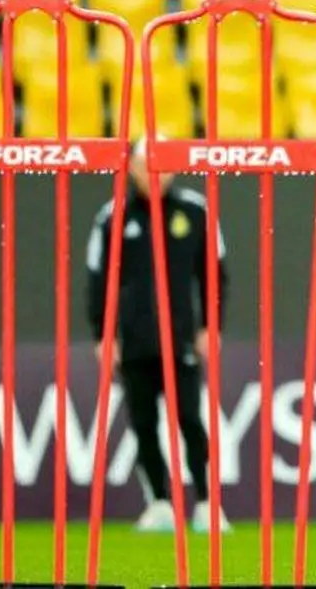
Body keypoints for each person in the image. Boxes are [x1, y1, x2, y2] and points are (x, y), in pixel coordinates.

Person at [85, 135, 232, 534]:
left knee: (189, 419)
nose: (155, 172)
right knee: (143, 423)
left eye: (163, 164)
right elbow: (99, 279)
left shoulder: (196, 211)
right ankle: (159, 503)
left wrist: (210, 326)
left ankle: (207, 503)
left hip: (181, 338)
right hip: (134, 341)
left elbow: (214, 274)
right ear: (131, 167)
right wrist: (103, 334)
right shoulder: (112, 217)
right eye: (146, 163)